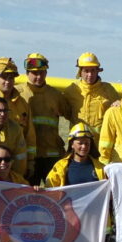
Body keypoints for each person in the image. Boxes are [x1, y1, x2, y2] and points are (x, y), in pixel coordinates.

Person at [18, 52, 77, 185]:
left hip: (52, 156)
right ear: (27, 73)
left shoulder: (55, 95)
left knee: (55, 193)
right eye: (34, 73)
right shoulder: (18, 94)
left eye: (42, 72)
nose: (38, 76)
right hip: (27, 155)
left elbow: (73, 115)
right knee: (27, 193)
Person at [63, 51, 120, 148]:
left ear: (98, 71)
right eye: (86, 71)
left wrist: (121, 103)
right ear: (80, 72)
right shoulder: (71, 90)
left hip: (100, 146)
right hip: (78, 146)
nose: (90, 74)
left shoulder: (109, 90)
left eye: (93, 70)